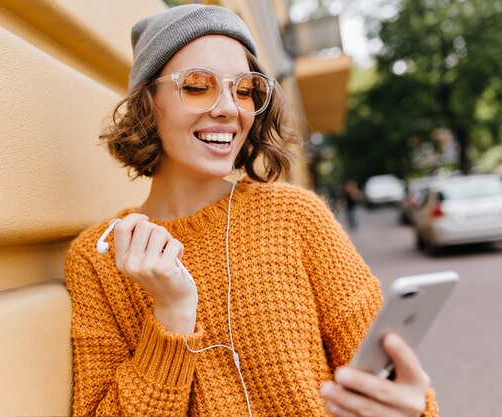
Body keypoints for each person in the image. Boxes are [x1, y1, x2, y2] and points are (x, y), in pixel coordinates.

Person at [65, 5, 437, 417]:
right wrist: (171, 314)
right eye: (196, 85)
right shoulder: (99, 260)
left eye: (244, 90)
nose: (229, 108)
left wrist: (408, 408)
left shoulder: (296, 217)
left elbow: (390, 386)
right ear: (148, 102)